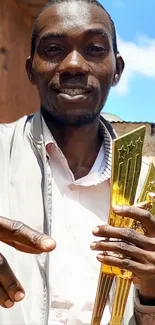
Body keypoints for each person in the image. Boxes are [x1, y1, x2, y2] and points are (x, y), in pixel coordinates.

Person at [0, 0, 155, 324]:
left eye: (95, 49)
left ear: (117, 70)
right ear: (30, 69)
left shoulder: (148, 189)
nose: (73, 64)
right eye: (54, 49)